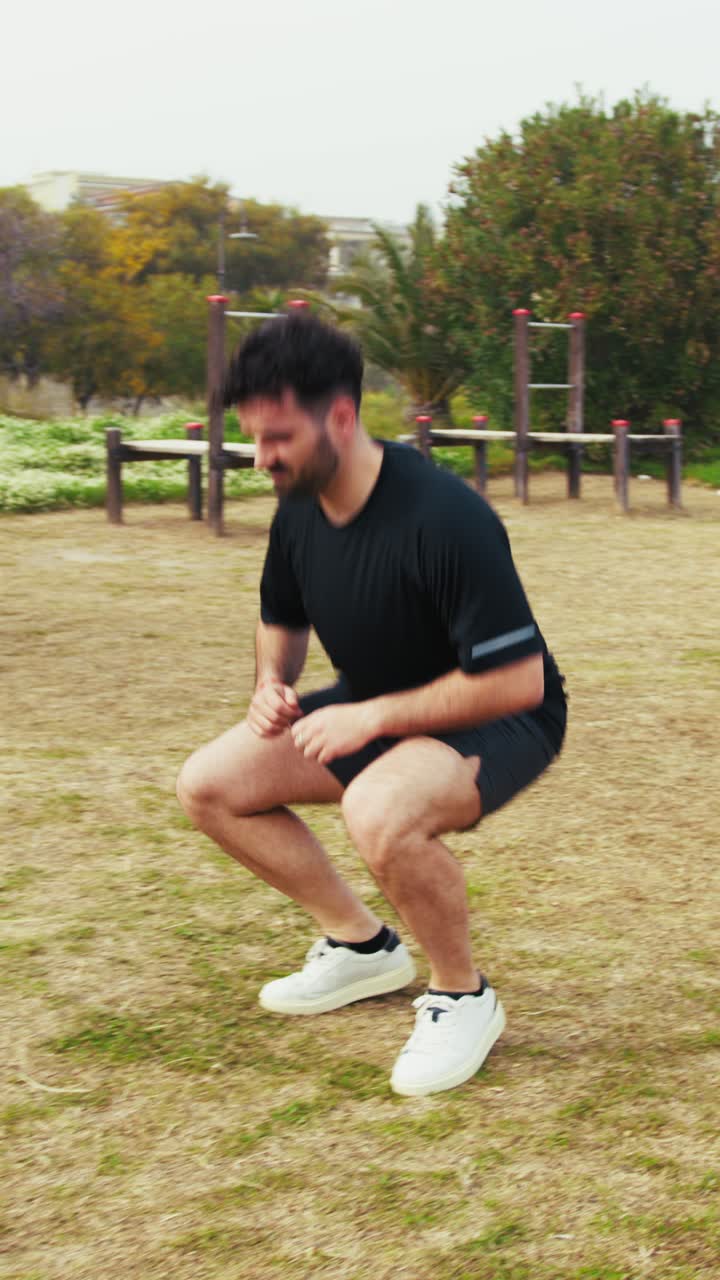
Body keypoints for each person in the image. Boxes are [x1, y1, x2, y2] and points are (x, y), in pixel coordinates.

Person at [177, 311, 567, 1097]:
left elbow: (521, 680)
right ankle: (361, 947)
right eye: (255, 438)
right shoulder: (298, 504)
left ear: (342, 416)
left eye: (279, 437)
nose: (263, 460)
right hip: (373, 703)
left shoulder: (445, 517)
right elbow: (280, 618)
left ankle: (463, 996)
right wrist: (270, 684)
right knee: (209, 784)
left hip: (494, 715)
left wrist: (375, 718)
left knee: (379, 811)